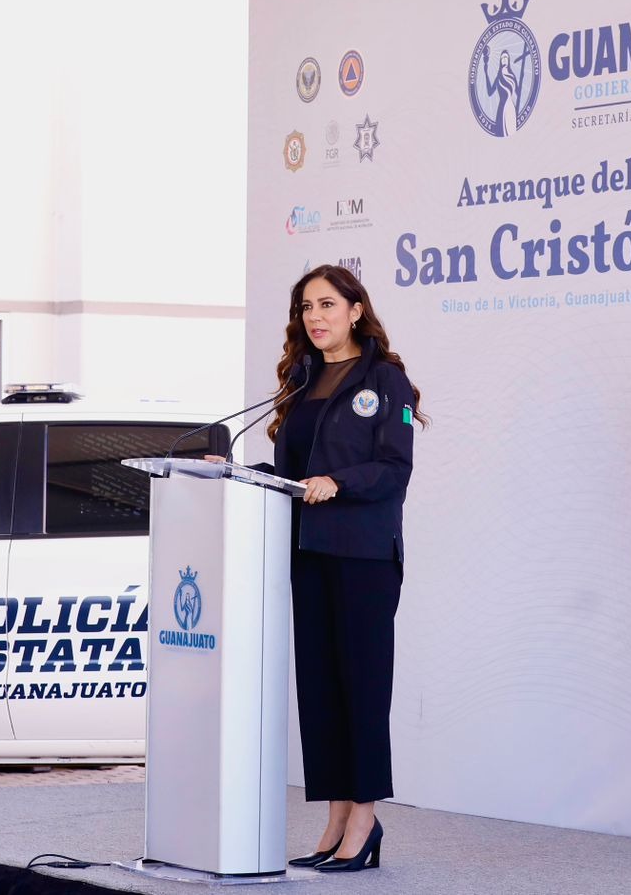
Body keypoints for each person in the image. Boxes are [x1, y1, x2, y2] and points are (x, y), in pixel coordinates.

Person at [228, 264, 427, 873]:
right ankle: (337, 816)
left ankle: (364, 817)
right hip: (308, 552)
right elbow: (292, 473)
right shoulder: (301, 380)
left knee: (361, 687)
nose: (314, 317)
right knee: (321, 689)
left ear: (356, 310)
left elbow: (394, 469)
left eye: (327, 305)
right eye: (306, 307)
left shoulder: (384, 380)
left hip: (363, 556)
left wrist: (337, 482)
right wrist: (235, 472)